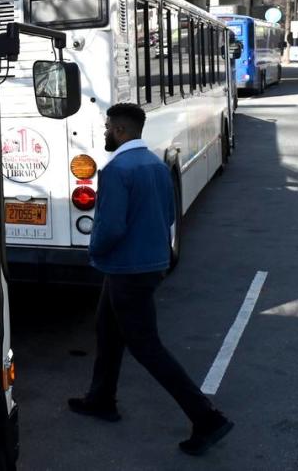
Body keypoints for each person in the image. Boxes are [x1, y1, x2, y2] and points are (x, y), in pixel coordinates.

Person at [68, 103, 233, 456]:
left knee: (147, 347)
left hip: (126, 270)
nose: (105, 132)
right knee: (107, 331)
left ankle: (207, 418)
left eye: (109, 127)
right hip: (146, 266)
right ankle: (101, 398)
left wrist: (94, 252)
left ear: (121, 130)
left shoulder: (116, 170)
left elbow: (110, 227)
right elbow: (170, 212)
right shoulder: (155, 165)